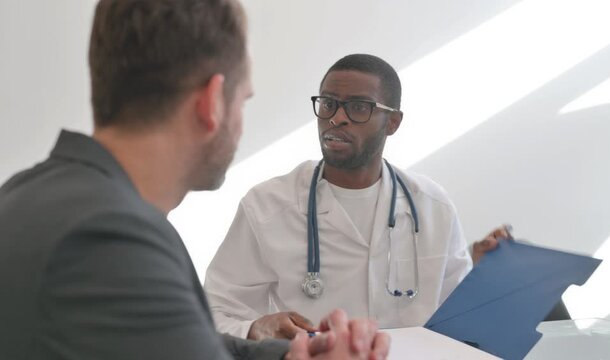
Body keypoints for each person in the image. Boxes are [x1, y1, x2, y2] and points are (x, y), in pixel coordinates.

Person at [0, 2, 389, 360]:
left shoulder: (29, 193)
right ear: (211, 102)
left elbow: (173, 339)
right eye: (243, 100)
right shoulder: (111, 242)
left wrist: (290, 355)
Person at [204, 53, 511, 340]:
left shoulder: (433, 207)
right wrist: (254, 328)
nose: (337, 118)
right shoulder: (267, 206)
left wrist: (484, 276)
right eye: (328, 104)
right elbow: (215, 313)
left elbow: (459, 322)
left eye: (359, 107)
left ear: (393, 122)